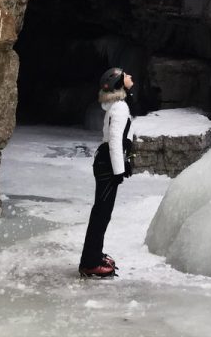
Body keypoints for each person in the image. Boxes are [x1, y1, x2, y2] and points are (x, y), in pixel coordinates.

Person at [78, 67, 134, 278]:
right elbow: (115, 141)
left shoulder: (118, 105)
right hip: (107, 164)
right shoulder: (119, 108)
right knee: (101, 214)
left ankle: (95, 254)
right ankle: (90, 262)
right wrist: (119, 170)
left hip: (105, 163)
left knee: (103, 212)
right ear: (119, 82)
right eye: (126, 75)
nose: (130, 77)